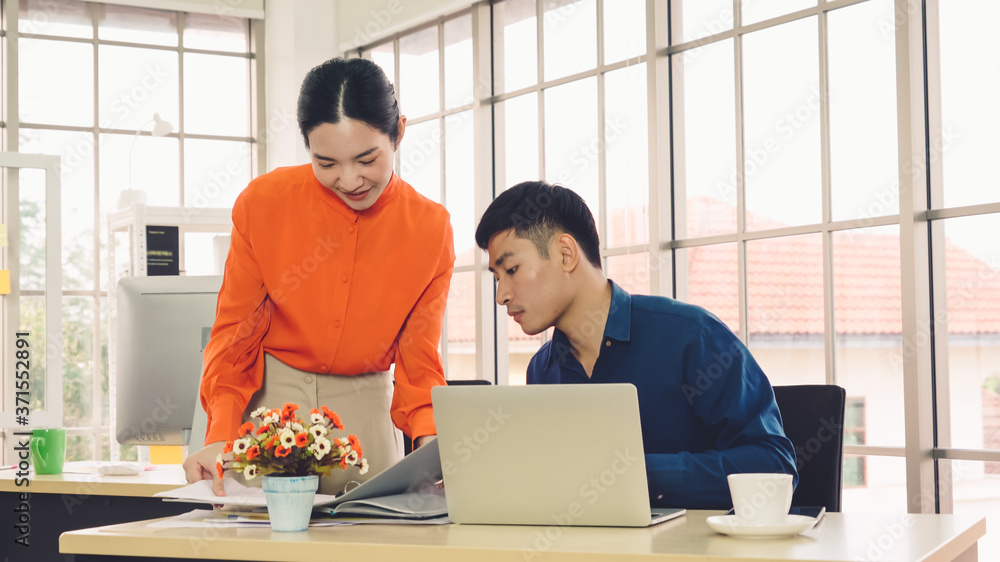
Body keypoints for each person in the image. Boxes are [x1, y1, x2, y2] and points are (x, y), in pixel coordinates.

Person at [183, 57, 455, 496]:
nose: (349, 180)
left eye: (366, 159)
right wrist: (220, 434)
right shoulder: (263, 203)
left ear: (399, 132)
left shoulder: (430, 227)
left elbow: (419, 358)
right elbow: (236, 335)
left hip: (366, 418)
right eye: (325, 163)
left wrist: (434, 451)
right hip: (270, 417)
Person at [473, 180, 796, 509]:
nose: (502, 296)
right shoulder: (542, 370)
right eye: (498, 278)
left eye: (512, 270)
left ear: (565, 254)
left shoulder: (692, 336)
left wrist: (636, 474)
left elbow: (774, 466)